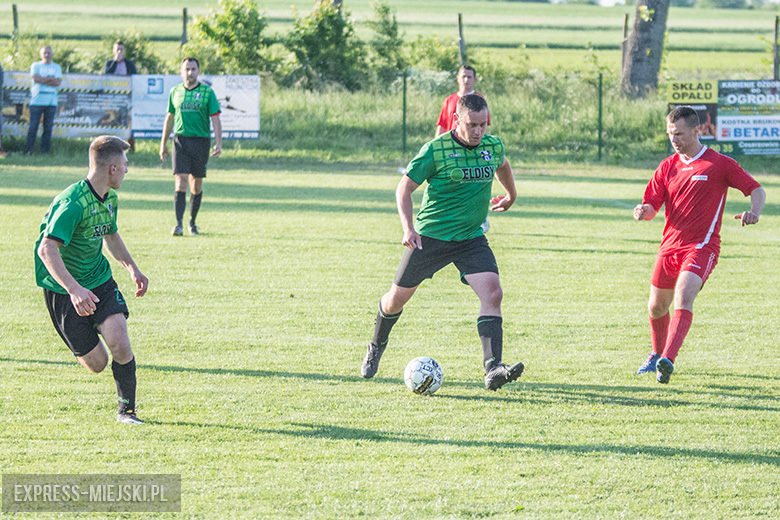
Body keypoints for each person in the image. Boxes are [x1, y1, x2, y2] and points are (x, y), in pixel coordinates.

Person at [361, 94, 524, 391]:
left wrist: (511, 195)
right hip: (430, 238)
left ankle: (493, 369)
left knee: (493, 292)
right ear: (456, 120)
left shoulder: (491, 144)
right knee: (395, 300)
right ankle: (376, 344)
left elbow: (502, 164)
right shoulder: (436, 150)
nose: (478, 131)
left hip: (470, 238)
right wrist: (408, 229)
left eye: (483, 125)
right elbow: (404, 189)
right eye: (472, 125)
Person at [634, 106, 765, 384]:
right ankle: (657, 354)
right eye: (670, 134)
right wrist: (643, 211)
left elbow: (756, 189)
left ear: (697, 130)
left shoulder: (719, 164)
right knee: (656, 307)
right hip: (669, 247)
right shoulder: (667, 166)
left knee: (684, 296)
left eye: (679, 133)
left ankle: (667, 360)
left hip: (702, 246)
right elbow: (652, 206)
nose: (674, 139)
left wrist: (754, 211)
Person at [35, 136, 149, 424]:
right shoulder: (73, 202)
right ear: (112, 167)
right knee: (97, 363)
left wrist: (132, 268)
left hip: (98, 279)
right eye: (124, 164)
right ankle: (87, 330)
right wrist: (74, 290)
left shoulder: (110, 198)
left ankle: (127, 411)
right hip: (65, 289)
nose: (127, 169)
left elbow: (110, 234)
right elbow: (46, 249)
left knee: (120, 342)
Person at [159, 57, 222, 236]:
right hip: (180, 140)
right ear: (181, 71)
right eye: (186, 69)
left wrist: (218, 142)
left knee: (197, 183)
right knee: (181, 180)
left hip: (201, 141)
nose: (190, 72)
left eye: (193, 69)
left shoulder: (207, 93)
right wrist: (163, 143)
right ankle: (178, 224)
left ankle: (192, 222)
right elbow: (170, 117)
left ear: (198, 71)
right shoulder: (175, 92)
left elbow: (215, 118)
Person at [435, 65, 490, 137]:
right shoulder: (449, 100)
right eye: (463, 76)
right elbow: (442, 125)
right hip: (451, 142)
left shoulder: (480, 99)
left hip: (471, 142)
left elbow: (483, 125)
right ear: (458, 78)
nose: (466, 80)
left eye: (469, 77)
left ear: (474, 79)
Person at [25, 45, 62, 155]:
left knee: (48, 129)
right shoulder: (35, 65)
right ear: (41, 55)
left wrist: (43, 80)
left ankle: (45, 152)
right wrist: (50, 79)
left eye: (48, 52)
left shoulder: (57, 67)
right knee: (33, 127)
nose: (47, 55)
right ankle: (28, 151)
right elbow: (36, 79)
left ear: (52, 54)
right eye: (44, 53)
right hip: (36, 101)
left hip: (51, 102)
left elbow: (57, 82)